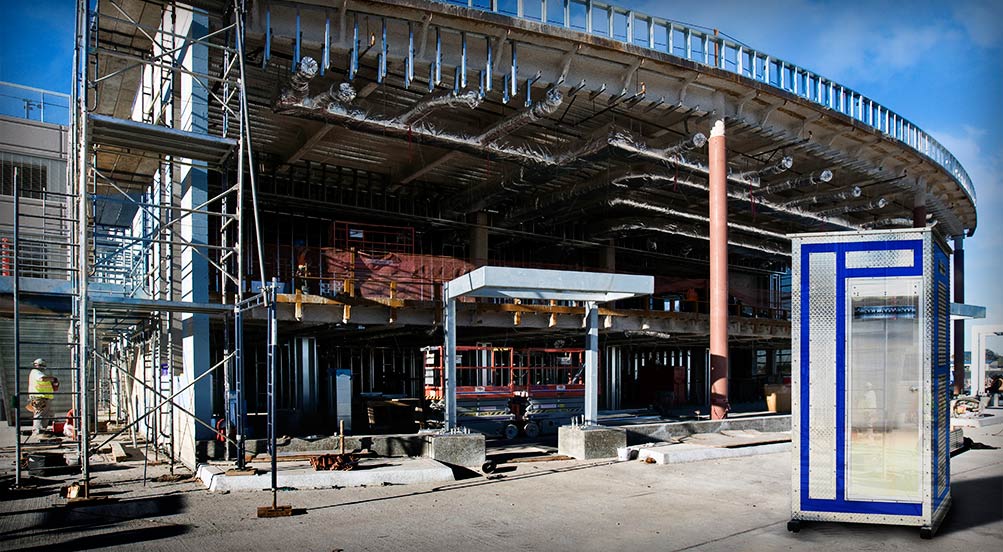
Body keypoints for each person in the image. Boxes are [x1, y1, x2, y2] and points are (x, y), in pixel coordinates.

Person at [27, 358, 59, 436]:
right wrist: (53, 379)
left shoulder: (38, 373)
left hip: (43, 398)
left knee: (44, 415)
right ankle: (38, 432)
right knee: (40, 414)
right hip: (39, 397)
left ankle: (41, 431)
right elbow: (42, 379)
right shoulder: (36, 372)